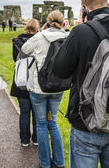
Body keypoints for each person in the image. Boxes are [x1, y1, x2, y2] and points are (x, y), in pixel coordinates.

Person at [52, 0, 109, 168]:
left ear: (85, 9)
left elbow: (59, 70)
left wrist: (74, 31)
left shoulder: (81, 32)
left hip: (87, 122)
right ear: (108, 5)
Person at [21, 10, 69, 168]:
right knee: (52, 122)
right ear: (63, 22)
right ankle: (59, 162)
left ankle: (45, 163)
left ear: (47, 22)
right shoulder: (67, 37)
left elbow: (24, 51)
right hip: (58, 86)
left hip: (39, 87)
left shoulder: (40, 36)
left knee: (41, 124)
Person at [10, 19, 39, 147]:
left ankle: (24, 139)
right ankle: (37, 138)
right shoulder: (39, 41)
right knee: (37, 113)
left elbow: (14, 58)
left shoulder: (17, 41)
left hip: (21, 78)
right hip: (35, 79)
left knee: (24, 112)